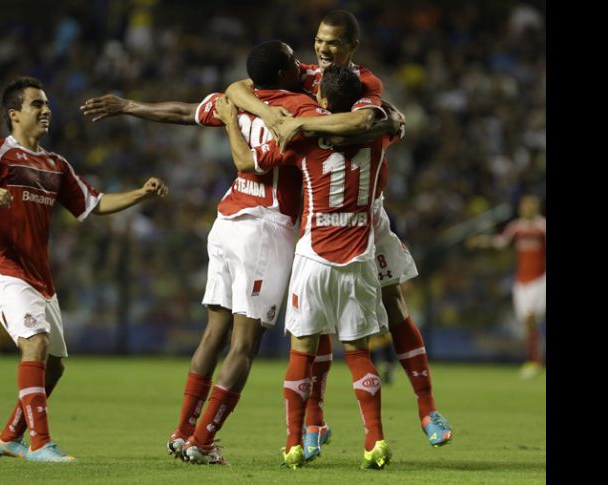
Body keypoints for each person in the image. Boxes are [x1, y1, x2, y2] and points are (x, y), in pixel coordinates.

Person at [80, 40, 392, 465]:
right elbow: (351, 129)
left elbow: (181, 112)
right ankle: (203, 441)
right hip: (264, 229)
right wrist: (391, 121)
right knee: (244, 344)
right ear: (285, 74)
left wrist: (129, 105)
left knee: (214, 331)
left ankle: (182, 430)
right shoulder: (301, 109)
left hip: (226, 222)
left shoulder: (235, 100)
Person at [225, 9, 453, 453]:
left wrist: (299, 124)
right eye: (318, 41)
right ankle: (315, 422)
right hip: (314, 215)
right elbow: (236, 89)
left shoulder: (366, 83)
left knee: (394, 303)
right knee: (315, 322)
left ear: (352, 47)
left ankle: (427, 409)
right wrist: (271, 115)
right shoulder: (304, 75)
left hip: (368, 217)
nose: (323, 50)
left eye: (332, 43)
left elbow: (364, 123)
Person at [0, 76, 168, 463]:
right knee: (34, 341)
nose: (47, 110)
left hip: (39, 274)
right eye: (37, 104)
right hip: (3, 264)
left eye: (47, 104)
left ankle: (8, 437)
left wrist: (140, 194)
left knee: (55, 366)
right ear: (14, 114)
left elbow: (93, 204)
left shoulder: (55, 165)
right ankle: (40, 443)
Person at [216, 64, 398, 470]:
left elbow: (247, 163)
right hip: (359, 261)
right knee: (359, 354)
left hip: (313, 258)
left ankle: (294, 443)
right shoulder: (379, 138)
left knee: (302, 352)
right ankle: (375, 439)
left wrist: (233, 121)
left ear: (323, 101)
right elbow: (390, 123)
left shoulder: (301, 140)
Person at [467, 195, 546, 378]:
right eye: (525, 205)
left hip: (540, 280)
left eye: (531, 205)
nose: (527, 209)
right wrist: (481, 242)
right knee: (527, 323)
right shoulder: (516, 228)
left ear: (537, 207)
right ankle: (534, 359)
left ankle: (534, 362)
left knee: (531, 318)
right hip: (521, 281)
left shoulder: (542, 227)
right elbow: (501, 242)